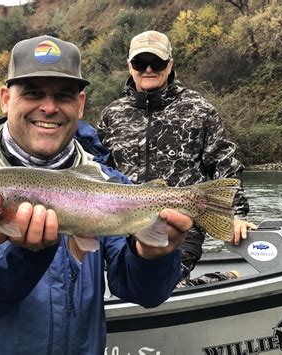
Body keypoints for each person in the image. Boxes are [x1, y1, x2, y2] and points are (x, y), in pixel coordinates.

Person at [0, 35, 192, 354]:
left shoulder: (106, 183)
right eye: (33, 93)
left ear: (81, 104)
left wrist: (153, 256)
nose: (48, 108)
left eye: (63, 95)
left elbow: (143, 292)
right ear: (6, 98)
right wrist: (23, 252)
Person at [97, 30, 257, 285]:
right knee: (116, 283)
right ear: (129, 66)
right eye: (140, 63)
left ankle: (218, 279)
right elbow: (100, 170)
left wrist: (236, 214)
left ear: (170, 64)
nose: (148, 69)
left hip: (182, 228)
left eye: (157, 63)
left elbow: (224, 162)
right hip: (121, 226)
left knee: (162, 284)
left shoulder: (199, 109)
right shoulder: (111, 115)